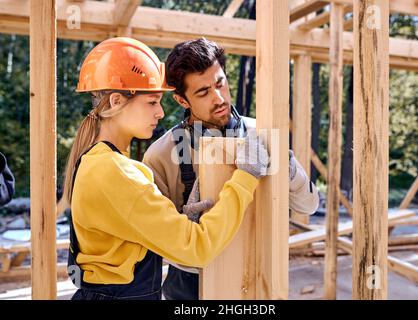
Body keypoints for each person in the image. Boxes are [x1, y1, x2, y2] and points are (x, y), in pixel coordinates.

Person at [65, 37, 269, 300]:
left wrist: (183, 224)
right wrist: (245, 177)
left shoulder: (99, 161)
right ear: (116, 101)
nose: (161, 113)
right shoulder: (116, 173)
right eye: (151, 102)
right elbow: (197, 248)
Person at [143, 37, 320, 300]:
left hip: (257, 271)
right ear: (182, 100)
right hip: (190, 283)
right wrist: (187, 227)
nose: (218, 98)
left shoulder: (260, 134)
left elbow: (309, 206)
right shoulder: (161, 155)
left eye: (220, 84)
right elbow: (157, 242)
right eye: (203, 92)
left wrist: (287, 165)